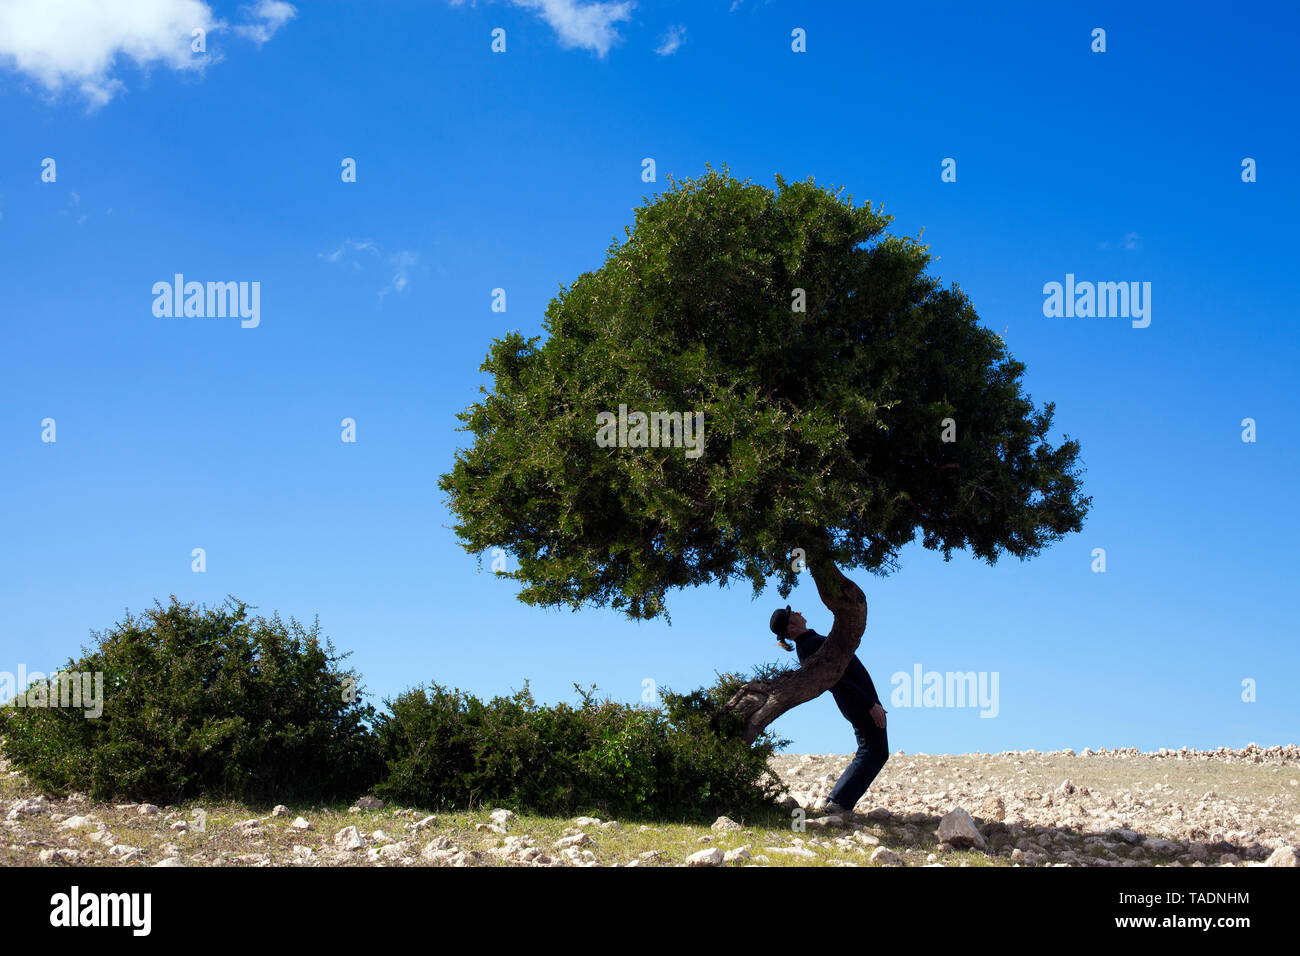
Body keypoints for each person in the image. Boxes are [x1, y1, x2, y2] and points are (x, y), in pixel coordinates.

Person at [770, 604, 889, 816]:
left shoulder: (812, 642)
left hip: (860, 702)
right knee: (873, 751)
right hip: (859, 703)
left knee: (874, 751)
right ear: (791, 629)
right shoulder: (811, 645)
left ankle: (839, 802)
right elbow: (837, 680)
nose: (799, 611)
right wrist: (869, 704)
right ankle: (837, 803)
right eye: (793, 615)